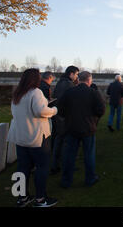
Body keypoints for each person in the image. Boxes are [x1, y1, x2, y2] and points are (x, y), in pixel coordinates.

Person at [7, 68, 58, 207]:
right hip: (36, 137)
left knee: (22, 167)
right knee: (42, 167)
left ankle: (22, 198)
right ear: (35, 79)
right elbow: (40, 111)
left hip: (20, 136)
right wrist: (53, 110)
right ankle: (41, 199)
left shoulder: (17, 93)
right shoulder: (36, 92)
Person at [58, 71, 106, 188]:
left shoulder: (69, 92)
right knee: (89, 155)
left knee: (69, 155)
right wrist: (93, 119)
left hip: (71, 128)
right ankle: (90, 179)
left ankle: (66, 181)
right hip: (88, 128)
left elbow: (60, 109)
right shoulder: (93, 93)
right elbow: (101, 110)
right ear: (89, 80)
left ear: (78, 80)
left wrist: (68, 117)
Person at [50, 66, 79, 175]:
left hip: (58, 115)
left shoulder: (60, 83)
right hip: (65, 116)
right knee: (65, 142)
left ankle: (55, 165)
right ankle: (63, 166)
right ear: (71, 74)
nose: (77, 77)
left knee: (58, 140)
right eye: (76, 74)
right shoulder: (69, 84)